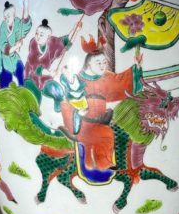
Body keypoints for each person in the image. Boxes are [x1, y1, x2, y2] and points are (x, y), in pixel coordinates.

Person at [58, 36, 143, 171]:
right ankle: (100, 164)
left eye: (104, 62)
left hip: (100, 121)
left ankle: (94, 163)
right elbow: (66, 100)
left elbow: (122, 81)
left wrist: (137, 67)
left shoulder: (106, 77)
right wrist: (77, 113)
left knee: (107, 132)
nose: (103, 66)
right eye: (98, 63)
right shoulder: (77, 80)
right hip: (82, 124)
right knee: (105, 134)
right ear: (88, 64)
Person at [24, 19, 71, 91]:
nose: (38, 37)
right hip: (31, 73)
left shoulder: (52, 42)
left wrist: (75, 29)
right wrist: (49, 73)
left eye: (41, 35)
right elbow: (34, 65)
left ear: (48, 37)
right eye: (36, 33)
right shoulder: (33, 43)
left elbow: (64, 41)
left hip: (46, 74)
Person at [0, 0, 32, 88]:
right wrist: (16, 46)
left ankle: (22, 89)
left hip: (14, 58)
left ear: (14, 15)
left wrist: (26, 7)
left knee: (21, 70)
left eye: (8, 16)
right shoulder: (3, 26)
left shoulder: (16, 22)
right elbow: (2, 45)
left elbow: (23, 28)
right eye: (5, 17)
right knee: (5, 80)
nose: (6, 19)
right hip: (4, 59)